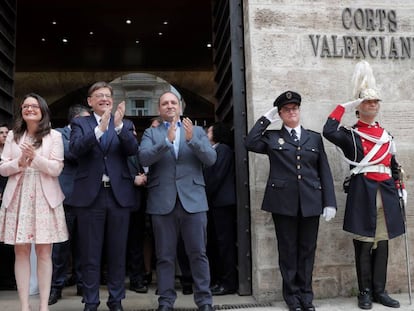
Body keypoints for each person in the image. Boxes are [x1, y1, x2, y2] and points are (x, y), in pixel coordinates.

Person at [323, 61, 405, 310]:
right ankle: (365, 291)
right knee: (364, 242)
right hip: (364, 192)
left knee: (383, 242)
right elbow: (328, 131)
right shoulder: (351, 135)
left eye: (376, 102)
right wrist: (342, 107)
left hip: (386, 192)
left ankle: (380, 290)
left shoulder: (385, 135)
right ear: (359, 108)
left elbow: (392, 163)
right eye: (368, 102)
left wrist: (400, 184)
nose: (374, 105)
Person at [245, 91, 337, 311]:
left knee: (307, 251)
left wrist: (329, 202)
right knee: (287, 252)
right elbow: (250, 142)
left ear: (299, 110)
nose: (292, 112)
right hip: (283, 204)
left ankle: (307, 296)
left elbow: (324, 171)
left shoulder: (313, 137)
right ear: (281, 113)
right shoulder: (272, 137)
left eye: (294, 108)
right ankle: (292, 298)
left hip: (311, 202)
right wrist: (266, 118)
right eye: (286, 109)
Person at [139, 91, 217, 311]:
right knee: (164, 256)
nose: (169, 106)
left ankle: (204, 301)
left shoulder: (197, 131)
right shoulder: (151, 133)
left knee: (198, 254)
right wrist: (166, 142)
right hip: (162, 203)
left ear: (181, 107)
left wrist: (192, 141)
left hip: (193, 201)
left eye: (173, 102)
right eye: (165, 103)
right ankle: (165, 302)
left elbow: (211, 159)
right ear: (159, 108)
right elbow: (143, 157)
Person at [67, 82, 139, 311]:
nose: (105, 99)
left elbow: (132, 150)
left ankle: (116, 300)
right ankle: (91, 301)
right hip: (90, 196)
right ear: (90, 101)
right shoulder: (80, 123)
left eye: (108, 95)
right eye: (99, 95)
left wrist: (117, 126)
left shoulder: (124, 124)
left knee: (117, 252)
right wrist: (99, 129)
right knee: (90, 253)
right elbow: (76, 150)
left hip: (118, 196)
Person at [0, 93, 68, 311]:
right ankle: (24, 305)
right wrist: (20, 162)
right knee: (20, 251)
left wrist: (35, 158)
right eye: (26, 106)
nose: (29, 109)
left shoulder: (55, 136)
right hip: (18, 195)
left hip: (45, 195)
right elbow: (2, 168)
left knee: (44, 252)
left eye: (34, 106)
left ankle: (43, 306)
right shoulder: (12, 136)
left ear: (43, 110)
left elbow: (57, 168)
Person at [48, 104, 91, 305]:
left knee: (85, 246)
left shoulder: (90, 135)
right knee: (60, 248)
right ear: (75, 120)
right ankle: (55, 287)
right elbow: (72, 153)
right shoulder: (58, 134)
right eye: (85, 120)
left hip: (87, 198)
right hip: (64, 198)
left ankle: (83, 286)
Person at [204, 122, 238, 295]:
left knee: (225, 244)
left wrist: (203, 194)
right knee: (217, 243)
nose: (206, 132)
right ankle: (219, 280)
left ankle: (229, 283)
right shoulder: (214, 149)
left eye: (209, 129)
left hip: (222, 204)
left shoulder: (223, 149)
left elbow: (216, 176)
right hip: (215, 204)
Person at [0, 123, 16, 291]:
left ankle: (9, 278)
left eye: (6, 132)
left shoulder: (14, 150)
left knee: (10, 244)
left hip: (11, 197)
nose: (4, 135)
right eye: (1, 133)